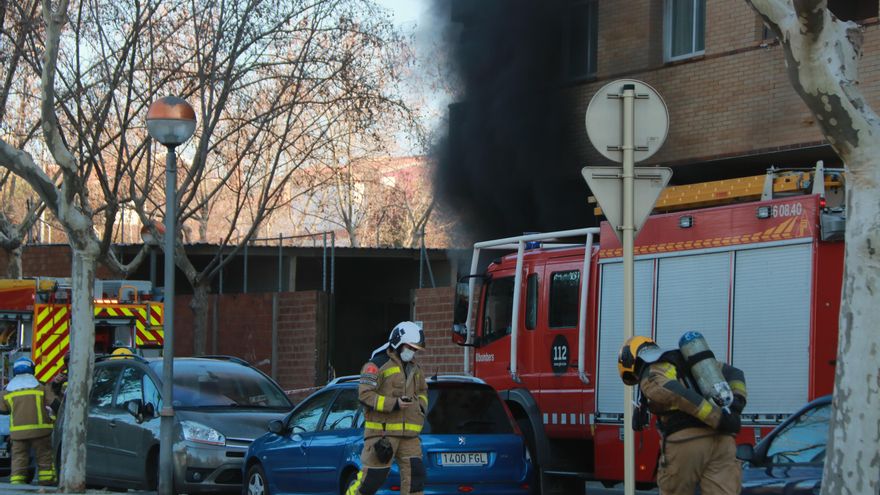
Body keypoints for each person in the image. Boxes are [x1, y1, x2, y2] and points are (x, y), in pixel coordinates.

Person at [618, 335, 747, 495]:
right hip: (723, 442)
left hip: (686, 442)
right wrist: (735, 407)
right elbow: (735, 373)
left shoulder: (653, 370)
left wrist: (716, 417)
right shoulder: (692, 362)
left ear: (630, 360)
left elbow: (674, 393)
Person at [347, 322, 428, 495]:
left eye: (415, 349)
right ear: (398, 343)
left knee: (416, 480)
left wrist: (421, 406)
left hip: (410, 436)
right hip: (382, 436)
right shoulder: (376, 365)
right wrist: (394, 404)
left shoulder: (415, 368)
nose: (413, 352)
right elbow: (365, 395)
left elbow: (422, 390)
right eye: (410, 347)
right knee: (371, 480)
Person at [0, 357, 57, 486]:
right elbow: (55, 404)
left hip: (18, 434)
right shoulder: (41, 387)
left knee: (19, 459)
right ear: (32, 370)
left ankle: (16, 485)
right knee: (44, 457)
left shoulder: (6, 391)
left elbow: (2, 411)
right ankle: (46, 483)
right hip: (41, 431)